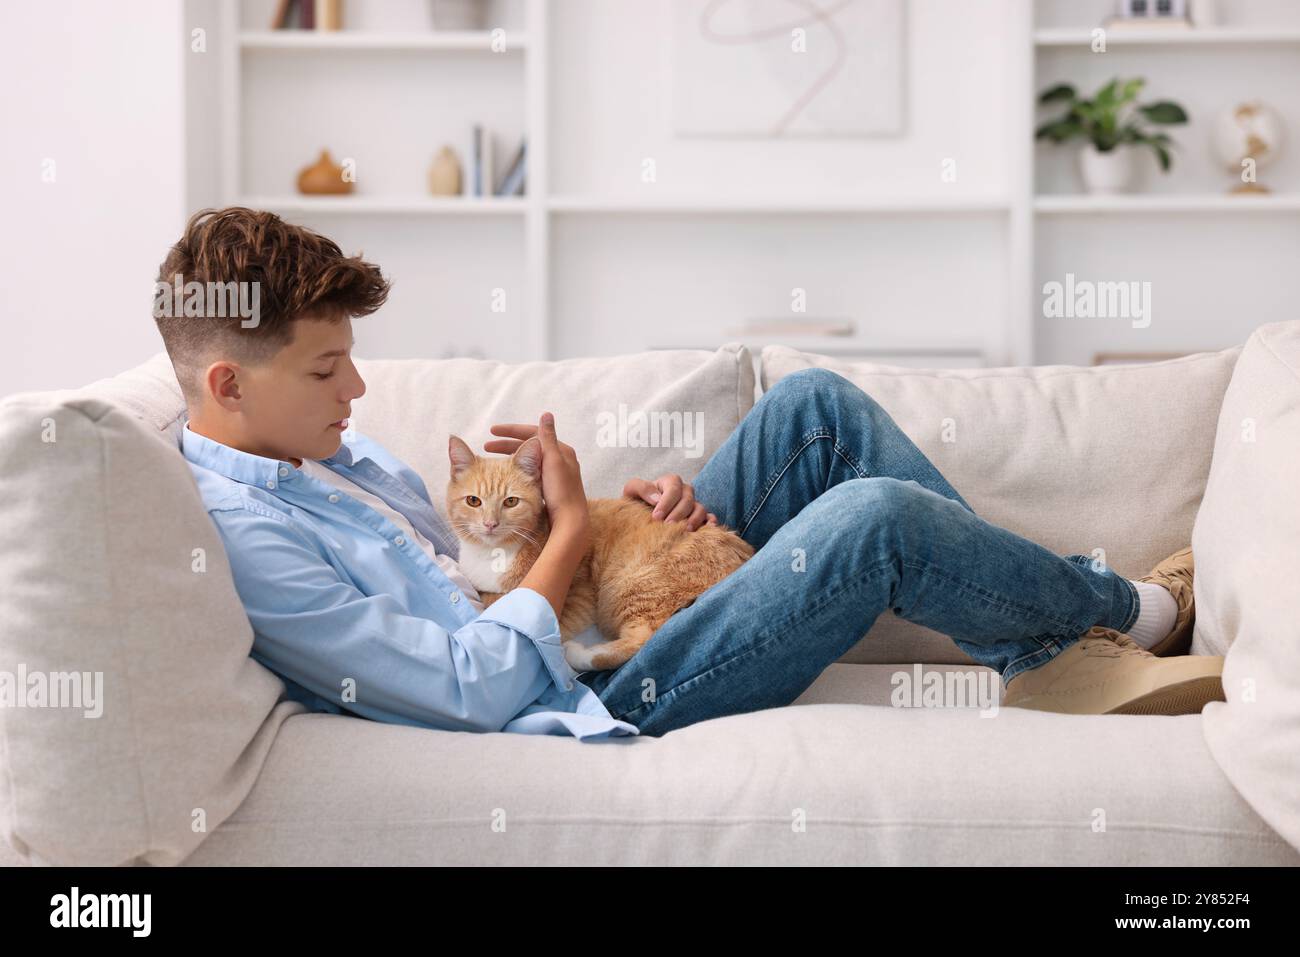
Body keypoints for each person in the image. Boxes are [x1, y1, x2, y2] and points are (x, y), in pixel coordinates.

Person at [161, 207, 1222, 744]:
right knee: (872, 521)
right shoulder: (248, 537)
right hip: (600, 687)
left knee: (814, 415)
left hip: (587, 614)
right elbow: (471, 687)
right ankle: (1111, 616)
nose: (357, 386)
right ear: (229, 381)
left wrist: (637, 520)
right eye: (326, 365)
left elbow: (497, 565)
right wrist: (574, 531)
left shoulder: (332, 460)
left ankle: (1052, 640)